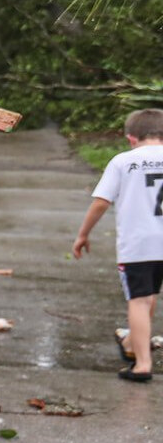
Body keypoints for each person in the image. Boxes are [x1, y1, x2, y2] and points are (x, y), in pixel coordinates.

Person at [72, 109, 163, 383]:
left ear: (131, 138)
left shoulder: (123, 162)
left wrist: (83, 234)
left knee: (139, 299)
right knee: (151, 295)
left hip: (139, 243)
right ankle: (130, 345)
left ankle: (143, 364)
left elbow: (101, 201)